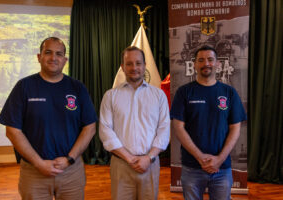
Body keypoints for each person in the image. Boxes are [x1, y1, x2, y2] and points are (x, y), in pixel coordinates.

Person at [0, 37, 97, 199]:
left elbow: (90, 127)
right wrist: (38, 163)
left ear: (65, 60)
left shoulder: (77, 87)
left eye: (59, 54)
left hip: (71, 172)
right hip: (34, 173)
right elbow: (12, 131)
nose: (53, 58)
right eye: (48, 52)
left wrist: (69, 159)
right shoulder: (24, 87)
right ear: (39, 57)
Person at [170, 45, 246, 200]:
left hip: (222, 168)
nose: (206, 63)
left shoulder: (229, 93)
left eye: (210, 59)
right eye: (201, 60)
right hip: (192, 167)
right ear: (195, 64)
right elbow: (178, 127)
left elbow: (235, 128)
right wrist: (200, 157)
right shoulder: (183, 92)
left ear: (218, 64)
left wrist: (219, 159)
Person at [99, 46, 170, 200]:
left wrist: (149, 158)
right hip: (121, 165)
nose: (134, 67)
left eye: (138, 63)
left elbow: (164, 129)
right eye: (129, 63)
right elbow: (105, 131)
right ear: (122, 67)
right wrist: (130, 159)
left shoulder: (158, 95)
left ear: (145, 65)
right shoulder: (110, 96)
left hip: (150, 164)